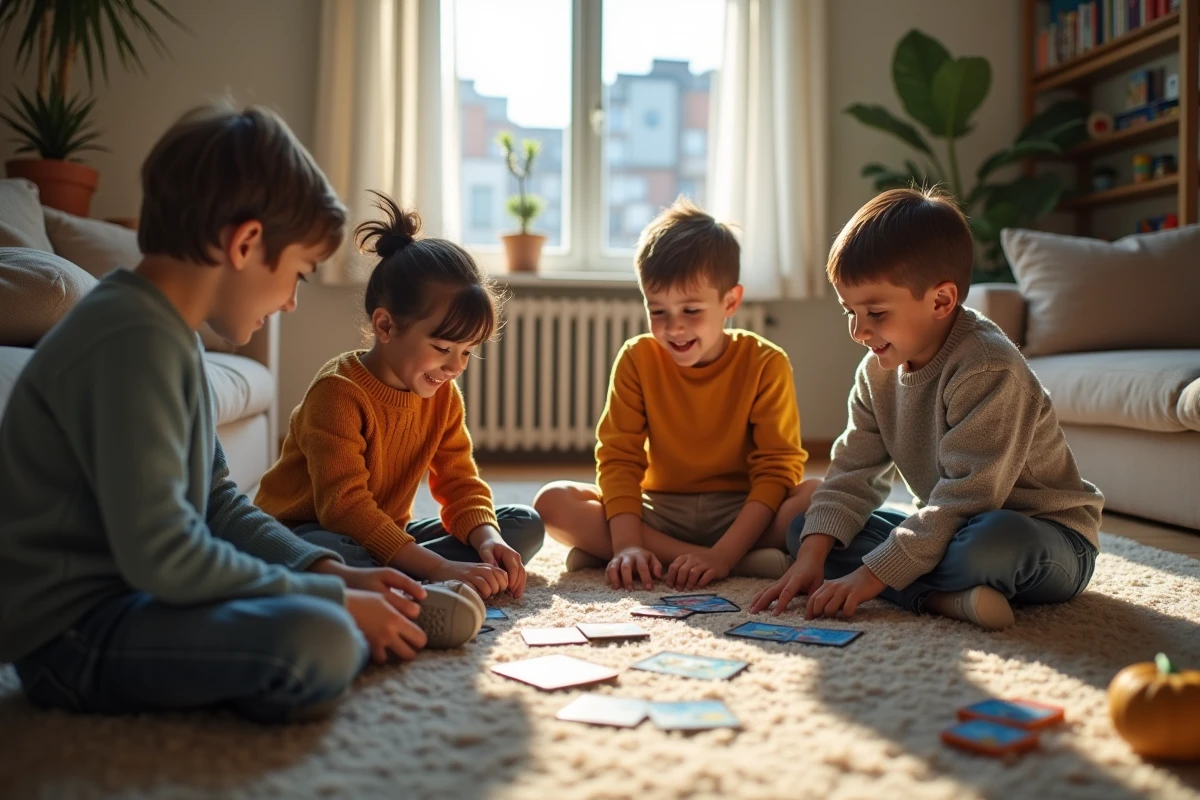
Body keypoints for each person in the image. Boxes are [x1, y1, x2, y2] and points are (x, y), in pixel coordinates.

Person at [0, 104, 436, 723]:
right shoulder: (128, 341)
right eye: (298, 274)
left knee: (323, 613)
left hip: (133, 596)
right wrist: (329, 598)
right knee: (323, 639)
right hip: (72, 637)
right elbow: (166, 554)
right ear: (245, 243)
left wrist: (331, 572)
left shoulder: (167, 335)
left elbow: (218, 503)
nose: (290, 302)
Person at [750, 187, 1103, 630]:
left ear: (940, 301)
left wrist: (869, 577)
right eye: (849, 312)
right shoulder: (875, 372)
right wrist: (811, 557)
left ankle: (919, 590)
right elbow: (851, 473)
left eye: (876, 313)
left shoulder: (988, 366)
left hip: (1045, 538)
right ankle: (943, 599)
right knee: (809, 529)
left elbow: (967, 498)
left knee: (988, 544)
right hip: (948, 526)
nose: (858, 331)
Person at [255, 193, 544, 603]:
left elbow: (460, 481)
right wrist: (439, 566)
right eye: (443, 348)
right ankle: (414, 577)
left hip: (385, 534)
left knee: (521, 524)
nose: (456, 366)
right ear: (386, 326)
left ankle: (403, 576)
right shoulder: (337, 393)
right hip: (310, 533)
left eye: (467, 352)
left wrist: (488, 539)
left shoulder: (443, 397)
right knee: (335, 550)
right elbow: (344, 509)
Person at [535, 197, 820, 592]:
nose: (674, 328)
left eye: (691, 310)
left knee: (819, 497)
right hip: (659, 510)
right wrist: (629, 541)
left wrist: (723, 552)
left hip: (741, 511)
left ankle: (640, 555)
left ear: (730, 302)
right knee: (552, 502)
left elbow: (777, 468)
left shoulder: (766, 362)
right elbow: (619, 457)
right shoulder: (637, 357)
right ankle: (727, 562)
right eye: (658, 311)